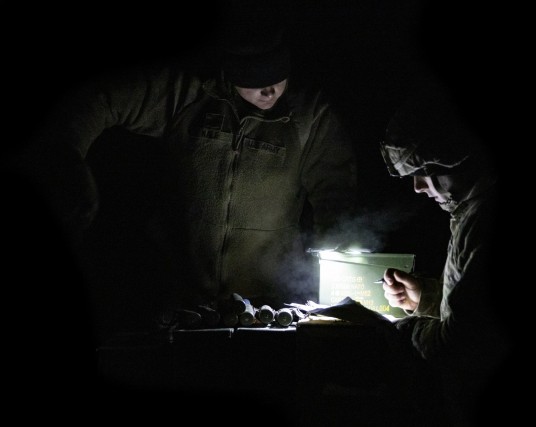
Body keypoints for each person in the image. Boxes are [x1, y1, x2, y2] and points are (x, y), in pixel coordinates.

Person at [14, 6, 357, 344]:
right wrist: (68, 158)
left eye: (277, 79)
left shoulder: (310, 117)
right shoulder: (188, 95)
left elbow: (335, 193)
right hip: (179, 305)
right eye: (253, 81)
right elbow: (98, 101)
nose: (269, 91)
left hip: (268, 310)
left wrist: (339, 262)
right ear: (230, 73)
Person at [378, 92, 512, 426]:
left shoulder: (485, 219)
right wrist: (425, 298)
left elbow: (464, 344)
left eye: (423, 171)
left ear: (455, 159)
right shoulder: (470, 210)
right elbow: (477, 309)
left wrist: (404, 329)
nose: (418, 187)